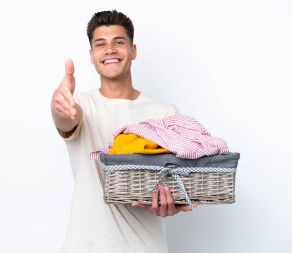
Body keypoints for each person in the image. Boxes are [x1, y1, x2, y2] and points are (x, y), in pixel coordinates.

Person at [51, 10, 196, 253]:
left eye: (118, 42)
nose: (110, 49)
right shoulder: (80, 105)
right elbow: (64, 120)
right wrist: (60, 107)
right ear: (92, 55)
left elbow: (177, 181)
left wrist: (171, 201)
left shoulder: (165, 112)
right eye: (101, 44)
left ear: (133, 50)